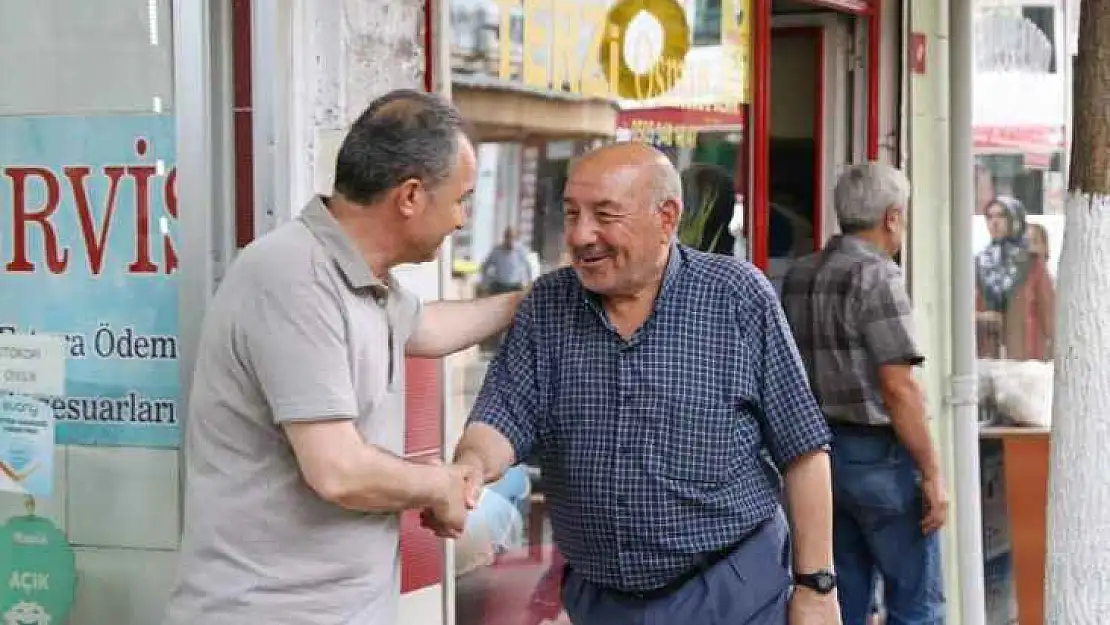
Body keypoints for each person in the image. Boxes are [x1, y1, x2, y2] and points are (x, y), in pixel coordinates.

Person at [425, 142, 840, 625]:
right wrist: (471, 467)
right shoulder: (548, 306)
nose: (581, 235)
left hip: (730, 591)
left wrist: (816, 586)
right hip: (602, 601)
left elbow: (804, 450)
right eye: (572, 213)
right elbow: (502, 416)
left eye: (604, 215)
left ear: (666, 218)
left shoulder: (736, 297)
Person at [161, 89, 525, 625]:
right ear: (409, 196)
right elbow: (338, 471)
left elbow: (428, 327)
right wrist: (440, 482)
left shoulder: (360, 279)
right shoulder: (292, 277)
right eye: (460, 199)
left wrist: (529, 301)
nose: (462, 220)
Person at [780, 162, 947, 625]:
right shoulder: (879, 275)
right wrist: (932, 473)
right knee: (917, 606)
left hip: (817, 459)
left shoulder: (800, 274)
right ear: (892, 217)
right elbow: (899, 387)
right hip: (880, 460)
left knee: (841, 600)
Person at [974, 196, 1055, 361]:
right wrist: (984, 317)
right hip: (989, 356)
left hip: (1027, 358)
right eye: (990, 217)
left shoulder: (1033, 264)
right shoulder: (982, 263)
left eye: (1001, 216)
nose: (994, 222)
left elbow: (1049, 315)